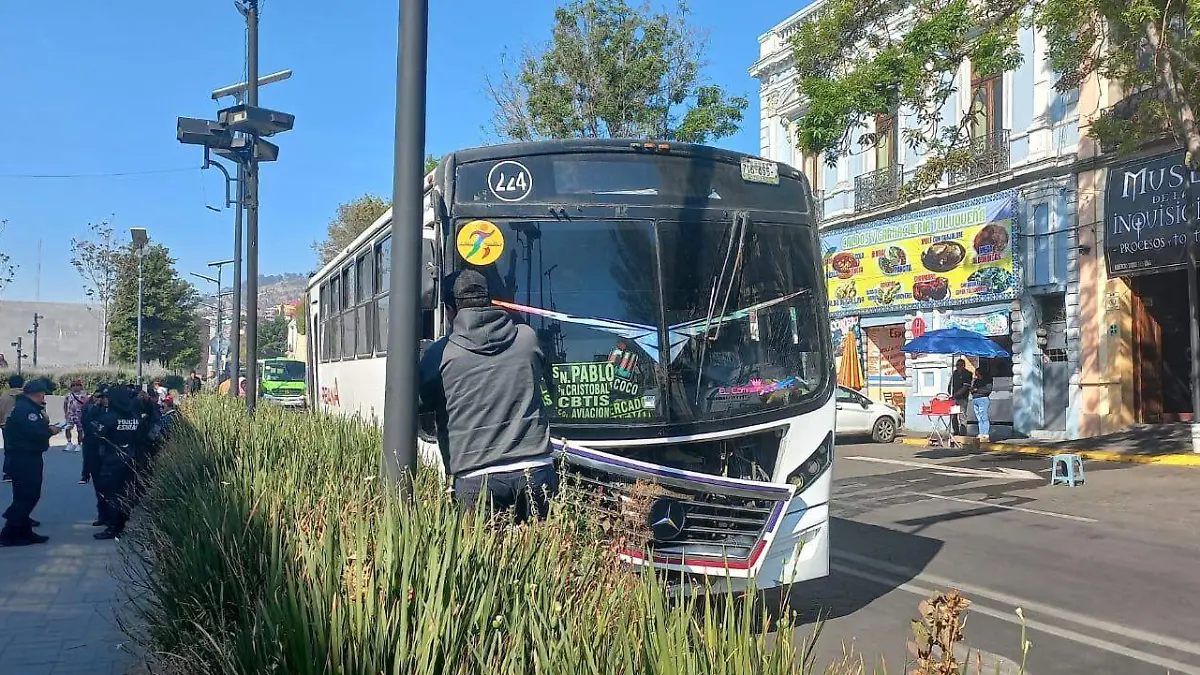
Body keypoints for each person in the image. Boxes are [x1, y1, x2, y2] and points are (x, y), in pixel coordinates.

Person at [419, 269, 558, 524]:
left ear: (450, 310)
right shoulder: (527, 338)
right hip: (536, 468)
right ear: (492, 300)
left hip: (475, 476)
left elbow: (420, 401)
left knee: (483, 559)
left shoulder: (440, 354)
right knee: (544, 556)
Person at [1, 379, 60, 546]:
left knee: (25, 495)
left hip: (24, 456)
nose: (44, 398)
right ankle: (9, 533)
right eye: (43, 395)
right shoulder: (27, 410)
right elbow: (36, 432)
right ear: (37, 394)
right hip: (24, 457)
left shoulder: (24, 407)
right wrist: (51, 431)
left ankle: (23, 531)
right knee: (28, 495)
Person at [92, 384, 144, 540]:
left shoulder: (109, 417)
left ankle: (114, 527)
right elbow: (140, 439)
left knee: (112, 495)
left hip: (112, 461)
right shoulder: (134, 418)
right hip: (130, 460)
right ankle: (122, 523)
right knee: (126, 494)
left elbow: (96, 433)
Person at [80, 387, 109, 525]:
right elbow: (87, 426)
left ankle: (112, 516)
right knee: (100, 488)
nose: (102, 400)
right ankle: (103, 515)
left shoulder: (114, 411)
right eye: (99, 396)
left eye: (104, 397)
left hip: (109, 454)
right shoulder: (90, 409)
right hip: (94, 452)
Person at [1, 374, 25, 483]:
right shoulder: (27, 396)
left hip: (6, 426)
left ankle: (8, 473)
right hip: (24, 426)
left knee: (9, 449)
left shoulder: (4, 397)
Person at [63, 379, 88, 453]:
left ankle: (79, 444)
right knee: (67, 428)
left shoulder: (84, 395)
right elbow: (65, 403)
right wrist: (66, 412)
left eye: (77, 385)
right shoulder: (69, 395)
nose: (75, 387)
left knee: (80, 430)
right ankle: (69, 443)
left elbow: (87, 404)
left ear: (81, 386)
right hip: (71, 414)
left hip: (80, 415)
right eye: (73, 385)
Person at [948, 359, 973, 436]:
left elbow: (965, 387)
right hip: (954, 399)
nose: (958, 367)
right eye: (957, 365)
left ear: (963, 365)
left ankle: (963, 434)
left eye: (960, 365)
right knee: (953, 416)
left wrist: (955, 394)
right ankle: (956, 432)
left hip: (962, 398)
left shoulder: (968, 374)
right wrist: (950, 392)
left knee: (962, 416)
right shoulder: (955, 373)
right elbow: (950, 384)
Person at [971, 361, 994, 442]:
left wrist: (977, 390)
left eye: (976, 373)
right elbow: (972, 390)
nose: (976, 374)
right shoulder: (976, 381)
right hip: (975, 399)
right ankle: (981, 433)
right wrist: (973, 390)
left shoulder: (987, 380)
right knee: (979, 418)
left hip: (983, 399)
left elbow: (988, 390)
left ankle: (986, 434)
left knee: (984, 416)